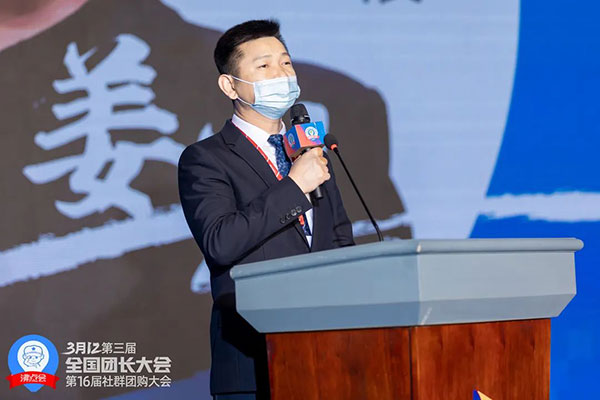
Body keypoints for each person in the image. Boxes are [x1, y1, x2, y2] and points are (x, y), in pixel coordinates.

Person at [178, 19, 355, 400]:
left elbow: (340, 240)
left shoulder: (309, 151)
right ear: (230, 86)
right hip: (253, 361)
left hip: (327, 358)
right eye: (264, 65)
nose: (281, 74)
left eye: (286, 63)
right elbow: (221, 242)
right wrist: (294, 186)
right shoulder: (205, 159)